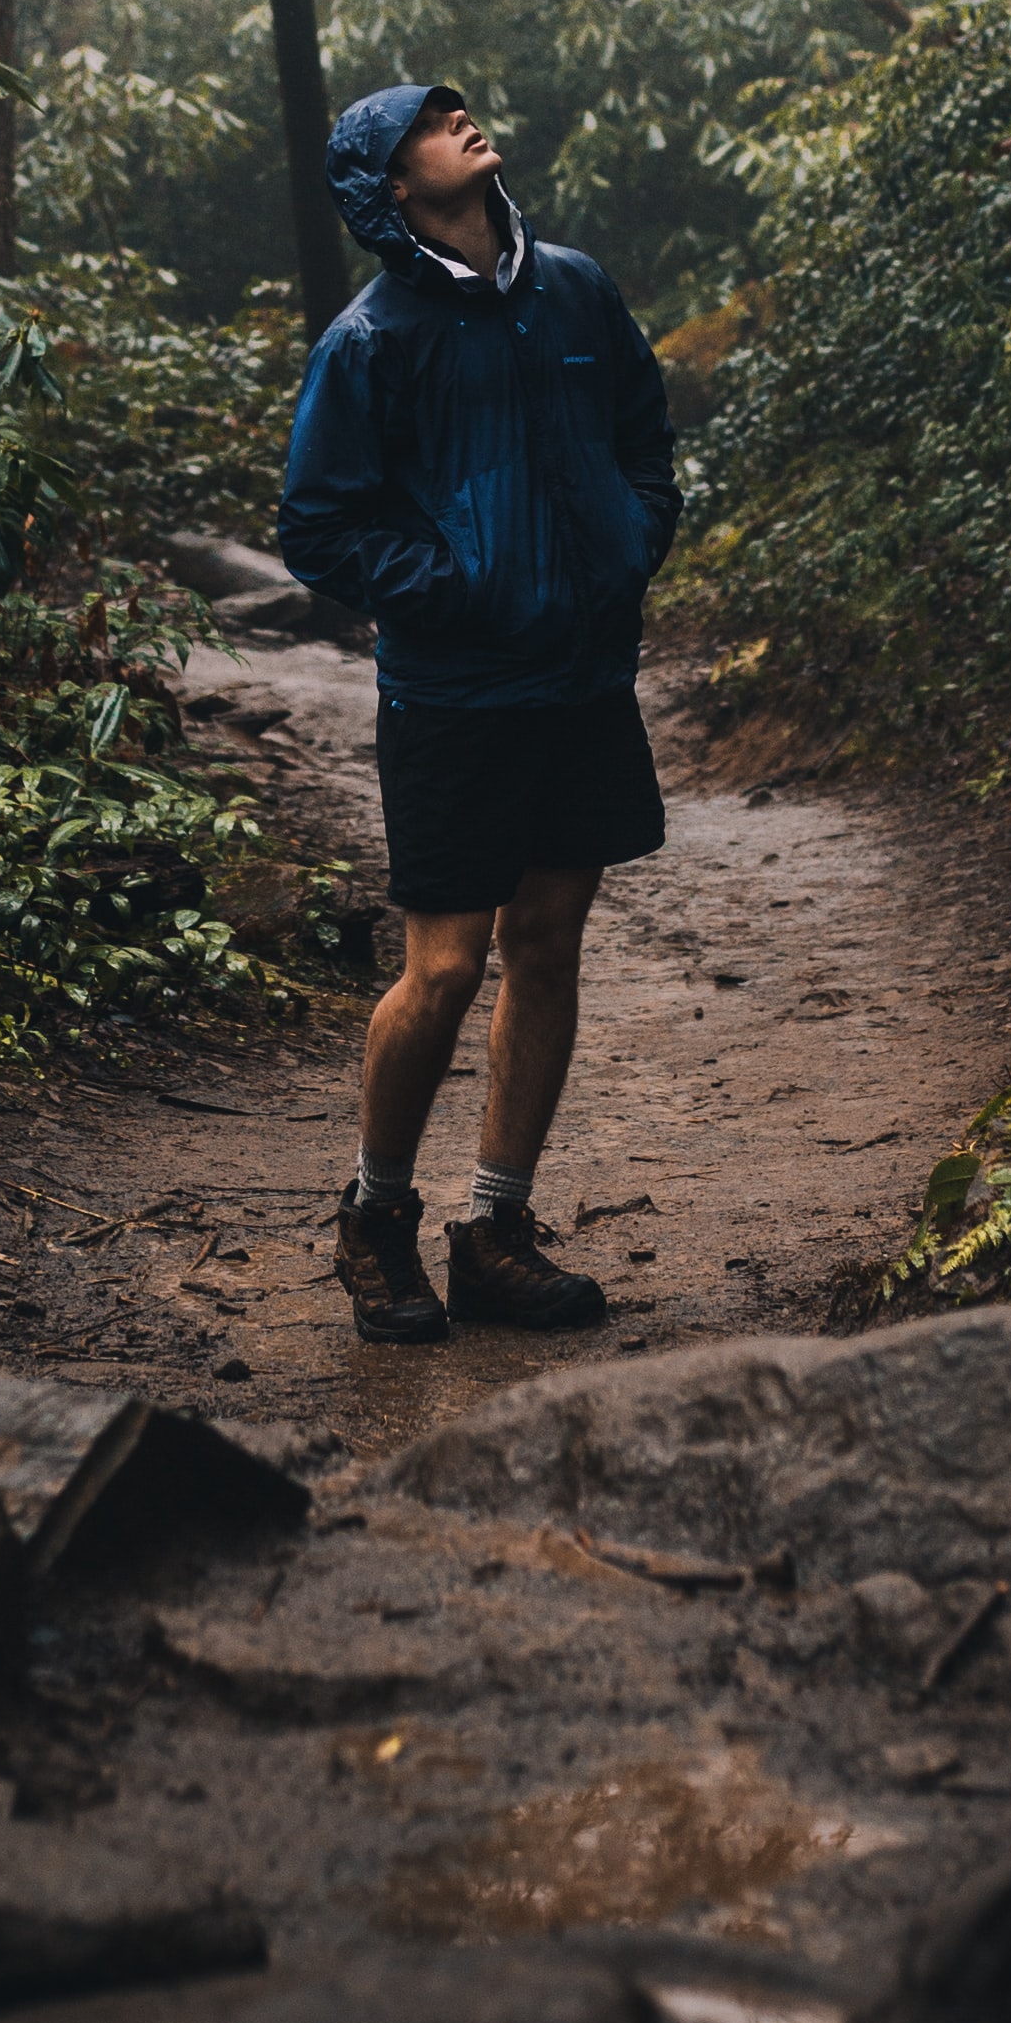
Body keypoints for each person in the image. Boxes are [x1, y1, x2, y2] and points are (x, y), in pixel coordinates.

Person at [276, 79, 682, 1342]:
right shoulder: (371, 338)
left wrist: (629, 543)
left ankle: (495, 1232)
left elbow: (642, 437)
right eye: (431, 125)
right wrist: (454, 591)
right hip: (455, 693)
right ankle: (375, 1218)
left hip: (582, 681)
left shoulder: (574, 285)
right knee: (445, 969)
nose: (465, 123)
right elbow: (317, 526)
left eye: (462, 113)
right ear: (395, 188)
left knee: (548, 942)